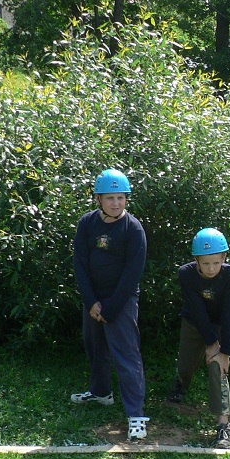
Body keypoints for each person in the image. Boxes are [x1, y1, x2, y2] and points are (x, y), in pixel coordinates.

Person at [71, 169, 149, 439]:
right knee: (95, 346)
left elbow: (132, 273)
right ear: (98, 199)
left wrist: (112, 308)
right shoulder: (87, 223)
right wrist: (91, 301)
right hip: (93, 299)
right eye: (110, 198)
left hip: (121, 301)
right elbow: (80, 263)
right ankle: (101, 392)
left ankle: (136, 415)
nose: (116, 203)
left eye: (120, 197)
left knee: (126, 355)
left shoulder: (133, 228)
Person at [167, 228, 230, 449]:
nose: (211, 269)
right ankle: (181, 383)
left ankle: (223, 425)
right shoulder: (186, 274)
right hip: (194, 321)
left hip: (221, 324)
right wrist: (210, 342)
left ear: (224, 258)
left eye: (216, 263)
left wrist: (225, 351)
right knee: (186, 363)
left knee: (217, 368)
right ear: (196, 260)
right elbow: (197, 308)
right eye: (205, 263)